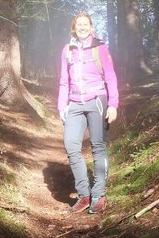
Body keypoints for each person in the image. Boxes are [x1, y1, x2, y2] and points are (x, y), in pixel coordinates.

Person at [57, 13, 119, 214]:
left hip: (97, 101)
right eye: (79, 25)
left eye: (86, 24)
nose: (82, 27)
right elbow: (64, 81)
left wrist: (113, 104)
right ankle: (84, 195)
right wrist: (61, 107)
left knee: (98, 146)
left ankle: (99, 194)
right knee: (71, 145)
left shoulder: (99, 48)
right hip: (74, 103)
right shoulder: (67, 50)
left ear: (91, 27)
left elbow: (110, 76)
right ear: (74, 29)